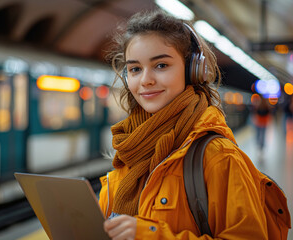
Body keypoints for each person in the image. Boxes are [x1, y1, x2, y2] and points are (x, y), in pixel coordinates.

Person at [99, 10, 269, 239]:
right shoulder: (129, 151)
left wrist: (152, 236)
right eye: (135, 69)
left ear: (192, 71)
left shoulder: (218, 156)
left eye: (161, 65)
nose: (146, 80)